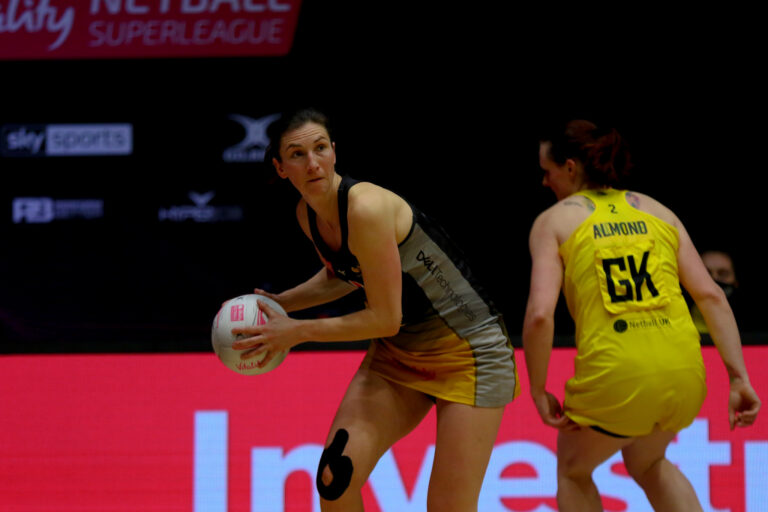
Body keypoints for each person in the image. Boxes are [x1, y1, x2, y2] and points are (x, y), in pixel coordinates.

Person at [231, 108, 519, 512]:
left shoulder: (365, 208)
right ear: (280, 168)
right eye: (297, 155)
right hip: (398, 355)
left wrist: (297, 331)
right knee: (334, 479)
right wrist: (280, 304)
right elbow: (343, 274)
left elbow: (385, 317)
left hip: (470, 354)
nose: (312, 163)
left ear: (334, 151)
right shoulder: (308, 214)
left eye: (320, 148)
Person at [522, 119, 761, 511]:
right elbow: (711, 296)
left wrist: (537, 387)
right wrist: (738, 377)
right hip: (683, 375)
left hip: (619, 375)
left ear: (570, 167)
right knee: (648, 461)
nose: (544, 183)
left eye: (547, 172)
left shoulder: (555, 220)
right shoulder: (657, 210)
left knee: (572, 468)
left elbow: (539, 317)